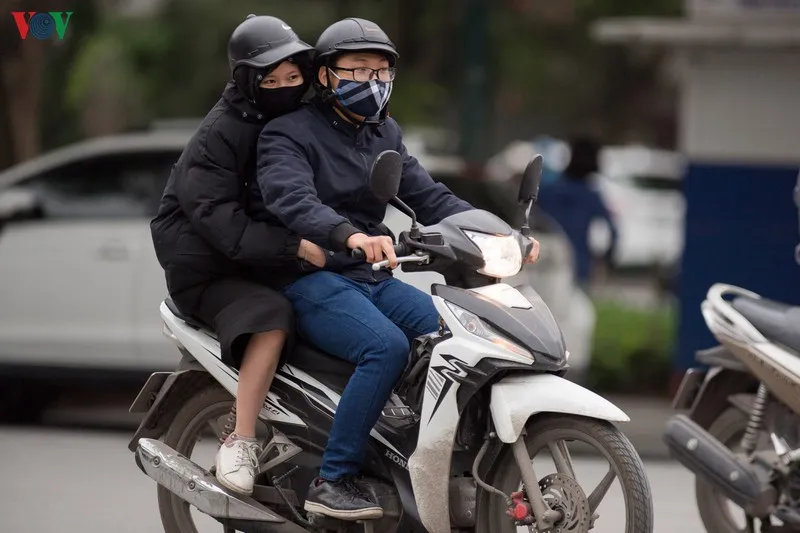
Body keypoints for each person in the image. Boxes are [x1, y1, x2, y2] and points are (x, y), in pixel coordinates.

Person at [252, 18, 541, 520]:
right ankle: (333, 478)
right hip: (309, 276)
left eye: (382, 72)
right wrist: (349, 235)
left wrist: (500, 234)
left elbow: (430, 196)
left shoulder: (383, 133)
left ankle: (434, 459)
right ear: (324, 75)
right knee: (384, 347)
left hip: (370, 277)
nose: (373, 83)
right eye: (358, 70)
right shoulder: (288, 133)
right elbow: (290, 197)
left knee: (456, 335)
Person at [149, 14, 329, 496]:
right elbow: (220, 223)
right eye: (271, 80)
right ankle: (240, 437)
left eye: (294, 77)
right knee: (272, 316)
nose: (285, 88)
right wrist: (294, 248)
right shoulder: (220, 133)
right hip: (206, 270)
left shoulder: (292, 124)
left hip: (257, 261)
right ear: (247, 80)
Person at [537, 135, 618, 287]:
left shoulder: (547, 189)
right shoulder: (591, 195)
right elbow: (613, 231)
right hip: (578, 264)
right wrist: (607, 260)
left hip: (544, 262)